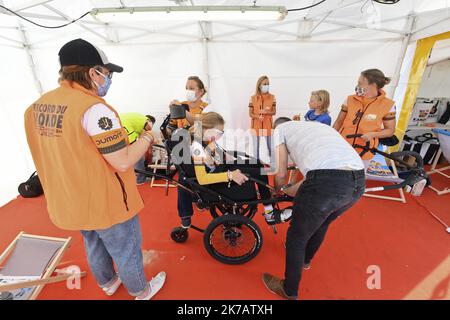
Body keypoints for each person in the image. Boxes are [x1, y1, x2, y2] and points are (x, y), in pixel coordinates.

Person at [24, 38, 165, 300]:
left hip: (71, 198)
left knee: (93, 241)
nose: (109, 79)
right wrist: (147, 138)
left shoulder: (37, 107)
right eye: (107, 74)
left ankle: (108, 283)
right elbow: (122, 160)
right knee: (126, 247)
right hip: (107, 200)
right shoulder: (93, 110)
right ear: (93, 72)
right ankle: (140, 290)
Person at [262, 117, 365, 300]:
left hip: (327, 182)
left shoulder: (280, 130)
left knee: (296, 238)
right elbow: (314, 179)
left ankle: (289, 289)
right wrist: (288, 191)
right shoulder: (316, 128)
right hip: (358, 179)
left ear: (274, 127)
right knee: (323, 222)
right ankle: (305, 261)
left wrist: (277, 191)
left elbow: (282, 173)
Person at [176, 112, 291, 228]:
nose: (221, 136)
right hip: (215, 180)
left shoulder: (204, 139)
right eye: (219, 132)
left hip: (221, 169)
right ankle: (270, 214)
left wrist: (223, 155)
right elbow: (202, 179)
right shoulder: (197, 148)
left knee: (258, 165)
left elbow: (218, 156)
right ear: (208, 129)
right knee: (259, 173)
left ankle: (269, 209)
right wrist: (230, 175)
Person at [332, 69, 396, 168]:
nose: (357, 86)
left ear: (373, 85)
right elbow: (338, 122)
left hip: (365, 150)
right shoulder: (349, 99)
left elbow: (390, 131)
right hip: (343, 147)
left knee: (356, 179)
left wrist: (373, 134)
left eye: (360, 83)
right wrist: (331, 139)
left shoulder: (388, 105)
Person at [120, 113, 156, 184]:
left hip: (121, 127)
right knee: (138, 156)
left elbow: (141, 136)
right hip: (126, 127)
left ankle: (129, 177)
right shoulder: (148, 121)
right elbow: (147, 135)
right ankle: (140, 179)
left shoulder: (139, 120)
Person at [249, 75, 276, 160]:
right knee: (255, 148)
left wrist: (267, 112)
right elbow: (250, 114)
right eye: (264, 84)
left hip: (268, 126)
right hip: (256, 127)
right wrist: (257, 117)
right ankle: (256, 166)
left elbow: (274, 112)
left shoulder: (272, 97)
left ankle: (273, 164)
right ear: (259, 85)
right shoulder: (252, 98)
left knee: (271, 148)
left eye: (268, 84)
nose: (266, 85)